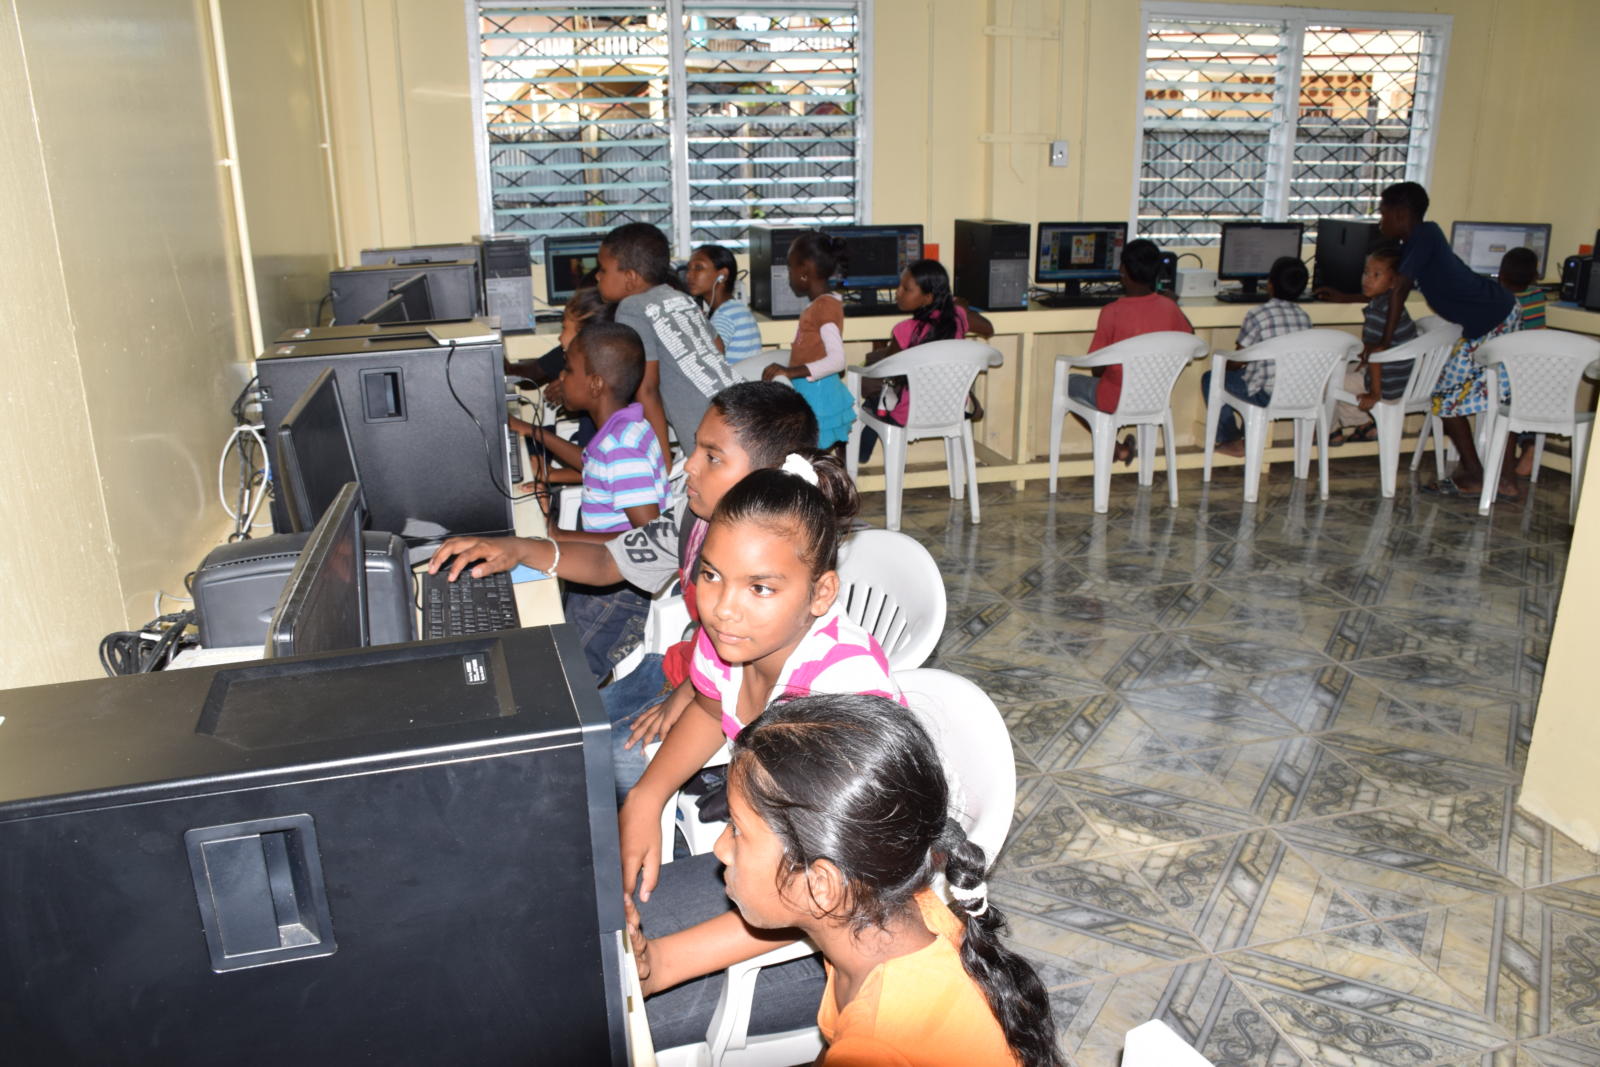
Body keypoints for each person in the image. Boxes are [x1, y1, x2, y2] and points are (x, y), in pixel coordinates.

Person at [426, 382, 823, 800]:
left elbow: (768, 671)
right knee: (563, 731)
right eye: (696, 448)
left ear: (768, 478)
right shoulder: (694, 518)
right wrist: (522, 549)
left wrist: (691, 694)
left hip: (736, 706)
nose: (689, 466)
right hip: (682, 670)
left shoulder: (787, 559)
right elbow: (607, 562)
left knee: (591, 763)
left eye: (712, 457)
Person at [626, 693, 1064, 1065]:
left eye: (737, 831)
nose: (721, 848)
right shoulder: (893, 914)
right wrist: (657, 965)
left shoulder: (876, 1044)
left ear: (821, 886)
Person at [618, 456, 900, 908]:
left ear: (821, 593)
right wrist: (647, 796)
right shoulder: (734, 638)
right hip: (772, 843)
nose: (723, 609)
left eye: (760, 588)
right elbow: (710, 708)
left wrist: (665, 949)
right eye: (711, 575)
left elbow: (841, 889)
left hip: (850, 888)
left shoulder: (836, 696)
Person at [1371, 182, 1521, 500]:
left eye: (1383, 212)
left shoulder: (1424, 236)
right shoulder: (1419, 240)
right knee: (1475, 398)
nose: (1380, 220)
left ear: (1400, 214)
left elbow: (1399, 289)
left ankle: (1482, 475)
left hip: (1495, 318)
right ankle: (1493, 478)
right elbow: (1394, 287)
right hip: (1487, 319)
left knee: (1455, 398)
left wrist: (1385, 342)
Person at [598, 222, 735, 457]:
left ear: (630, 278)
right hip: (738, 405)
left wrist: (662, 458)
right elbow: (718, 345)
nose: (597, 277)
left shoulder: (631, 308)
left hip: (711, 430)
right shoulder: (679, 297)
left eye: (603, 270)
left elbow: (647, 388)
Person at [527, 321, 669, 535]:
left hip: (616, 556)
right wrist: (530, 431)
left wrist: (554, 531)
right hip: (606, 548)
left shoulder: (621, 448)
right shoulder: (625, 427)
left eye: (568, 369)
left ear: (595, 384)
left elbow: (650, 537)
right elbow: (591, 462)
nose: (561, 376)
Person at [1064, 238, 1192, 465]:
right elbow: (1189, 338)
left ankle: (1114, 447)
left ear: (1122, 270)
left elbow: (1096, 369)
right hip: (1156, 397)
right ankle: (1118, 449)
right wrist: (1173, 303)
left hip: (1115, 399)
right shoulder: (1170, 308)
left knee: (1067, 382)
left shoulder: (1111, 311)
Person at [857, 259, 995, 463]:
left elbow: (886, 370)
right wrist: (959, 307)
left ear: (927, 297)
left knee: (872, 390)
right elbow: (988, 328)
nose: (898, 292)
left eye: (906, 289)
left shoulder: (904, 330)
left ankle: (859, 454)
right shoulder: (957, 318)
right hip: (953, 410)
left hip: (909, 414)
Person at [1201, 255, 1311, 457]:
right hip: (1297, 392)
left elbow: (1237, 361)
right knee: (1253, 375)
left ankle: (1230, 439)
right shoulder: (1304, 317)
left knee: (1211, 378)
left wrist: (1223, 367)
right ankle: (1248, 438)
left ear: (1269, 284)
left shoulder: (1258, 314)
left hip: (1266, 394)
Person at [761, 232, 859, 452]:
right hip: (812, 391)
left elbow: (837, 361)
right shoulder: (820, 305)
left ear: (804, 271)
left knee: (813, 455)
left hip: (819, 395)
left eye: (790, 268)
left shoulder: (824, 307)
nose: (789, 275)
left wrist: (790, 372)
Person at [1328, 243, 1416, 444]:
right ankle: (1367, 425)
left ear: (1393, 282)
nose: (1367, 279)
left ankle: (1332, 431)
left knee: (1325, 380)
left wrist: (1374, 393)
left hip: (1385, 386)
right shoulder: (1390, 304)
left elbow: (1376, 354)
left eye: (1376, 275)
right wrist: (1343, 298)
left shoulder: (1379, 313)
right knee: (1343, 370)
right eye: (1366, 272)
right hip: (1403, 381)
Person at [507, 279, 609, 452]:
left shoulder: (603, 400)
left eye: (564, 328)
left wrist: (531, 431)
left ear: (584, 336)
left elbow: (589, 462)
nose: (559, 337)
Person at [1499, 247, 1548, 477]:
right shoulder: (1537, 295)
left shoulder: (1499, 298)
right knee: (1527, 401)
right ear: (1534, 276)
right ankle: (1530, 445)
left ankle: (1508, 458)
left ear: (1501, 274)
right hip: (1535, 368)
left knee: (1509, 401)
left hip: (1508, 371)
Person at [685, 244, 764, 363]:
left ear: (722, 275)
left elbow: (708, 360)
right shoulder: (736, 309)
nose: (689, 275)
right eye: (688, 268)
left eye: (698, 268)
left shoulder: (724, 315)